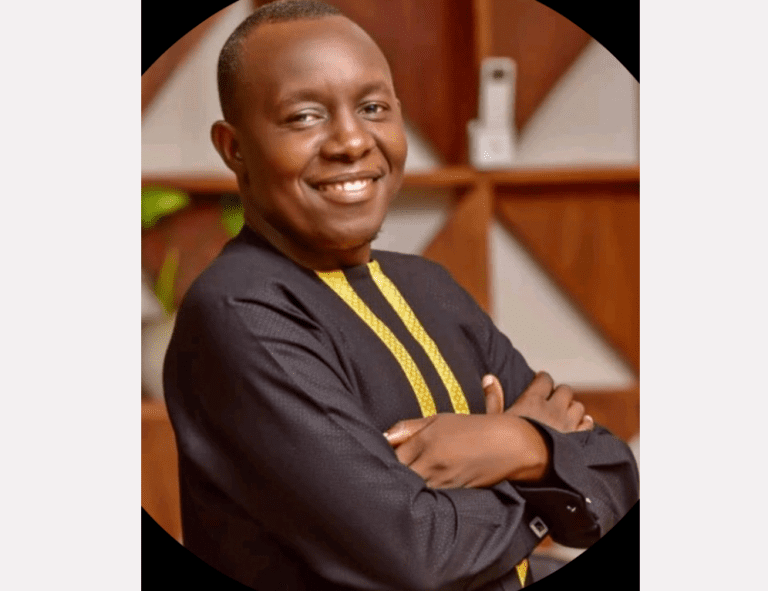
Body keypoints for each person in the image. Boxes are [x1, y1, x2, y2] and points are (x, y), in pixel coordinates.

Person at [162, 1, 639, 589]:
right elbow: (417, 556)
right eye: (305, 116)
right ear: (234, 149)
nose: (351, 141)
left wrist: (517, 442)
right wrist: (542, 476)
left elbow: (615, 479)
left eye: (373, 108)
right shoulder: (240, 313)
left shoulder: (429, 286)